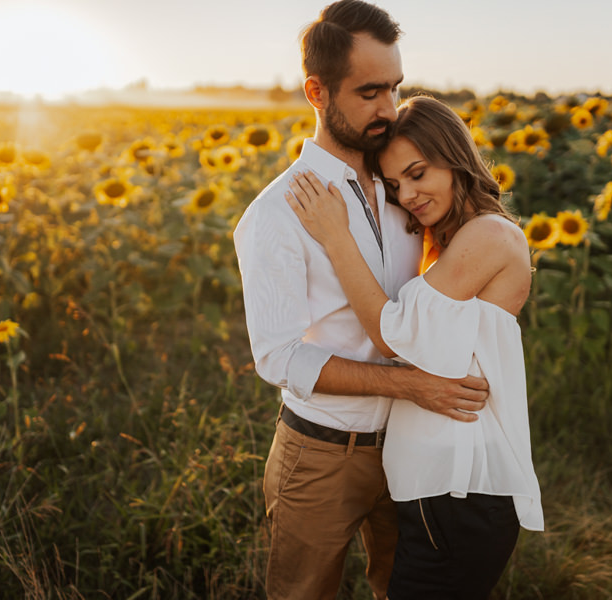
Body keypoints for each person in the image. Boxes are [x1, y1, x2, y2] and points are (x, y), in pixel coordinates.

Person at [233, 2, 490, 599]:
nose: (388, 109)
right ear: (317, 92)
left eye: (394, 88)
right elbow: (278, 359)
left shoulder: (407, 185)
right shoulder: (275, 215)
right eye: (369, 91)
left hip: (413, 445)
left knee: (405, 589)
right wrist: (410, 385)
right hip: (323, 454)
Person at [285, 94, 545, 599]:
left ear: (455, 158)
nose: (408, 194)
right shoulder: (452, 242)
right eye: (396, 184)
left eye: (419, 173)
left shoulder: (489, 234)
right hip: (441, 495)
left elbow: (394, 330)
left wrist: (337, 237)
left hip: (458, 494)